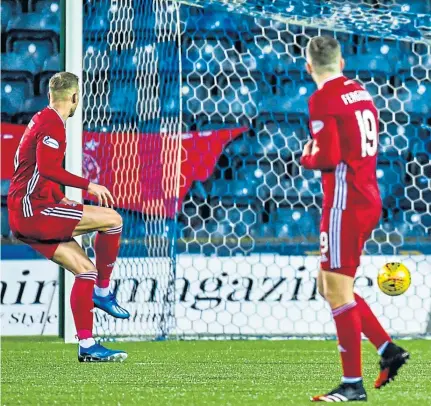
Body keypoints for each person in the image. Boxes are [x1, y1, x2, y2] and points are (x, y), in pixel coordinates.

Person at [301, 37, 409, 402]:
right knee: (327, 285)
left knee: (336, 291)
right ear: (342, 61)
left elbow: (328, 157)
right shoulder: (360, 92)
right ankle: (387, 351)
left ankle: (352, 385)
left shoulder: (322, 99)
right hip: (367, 195)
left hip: (343, 204)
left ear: (309, 66)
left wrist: (307, 158)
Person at [8, 72, 130, 362]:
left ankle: (87, 346)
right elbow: (48, 168)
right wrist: (90, 185)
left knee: (85, 269)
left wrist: (60, 199)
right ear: (75, 97)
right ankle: (102, 291)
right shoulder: (52, 125)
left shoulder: (41, 119)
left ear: (51, 94)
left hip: (25, 214)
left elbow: (35, 172)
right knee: (113, 220)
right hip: (34, 213)